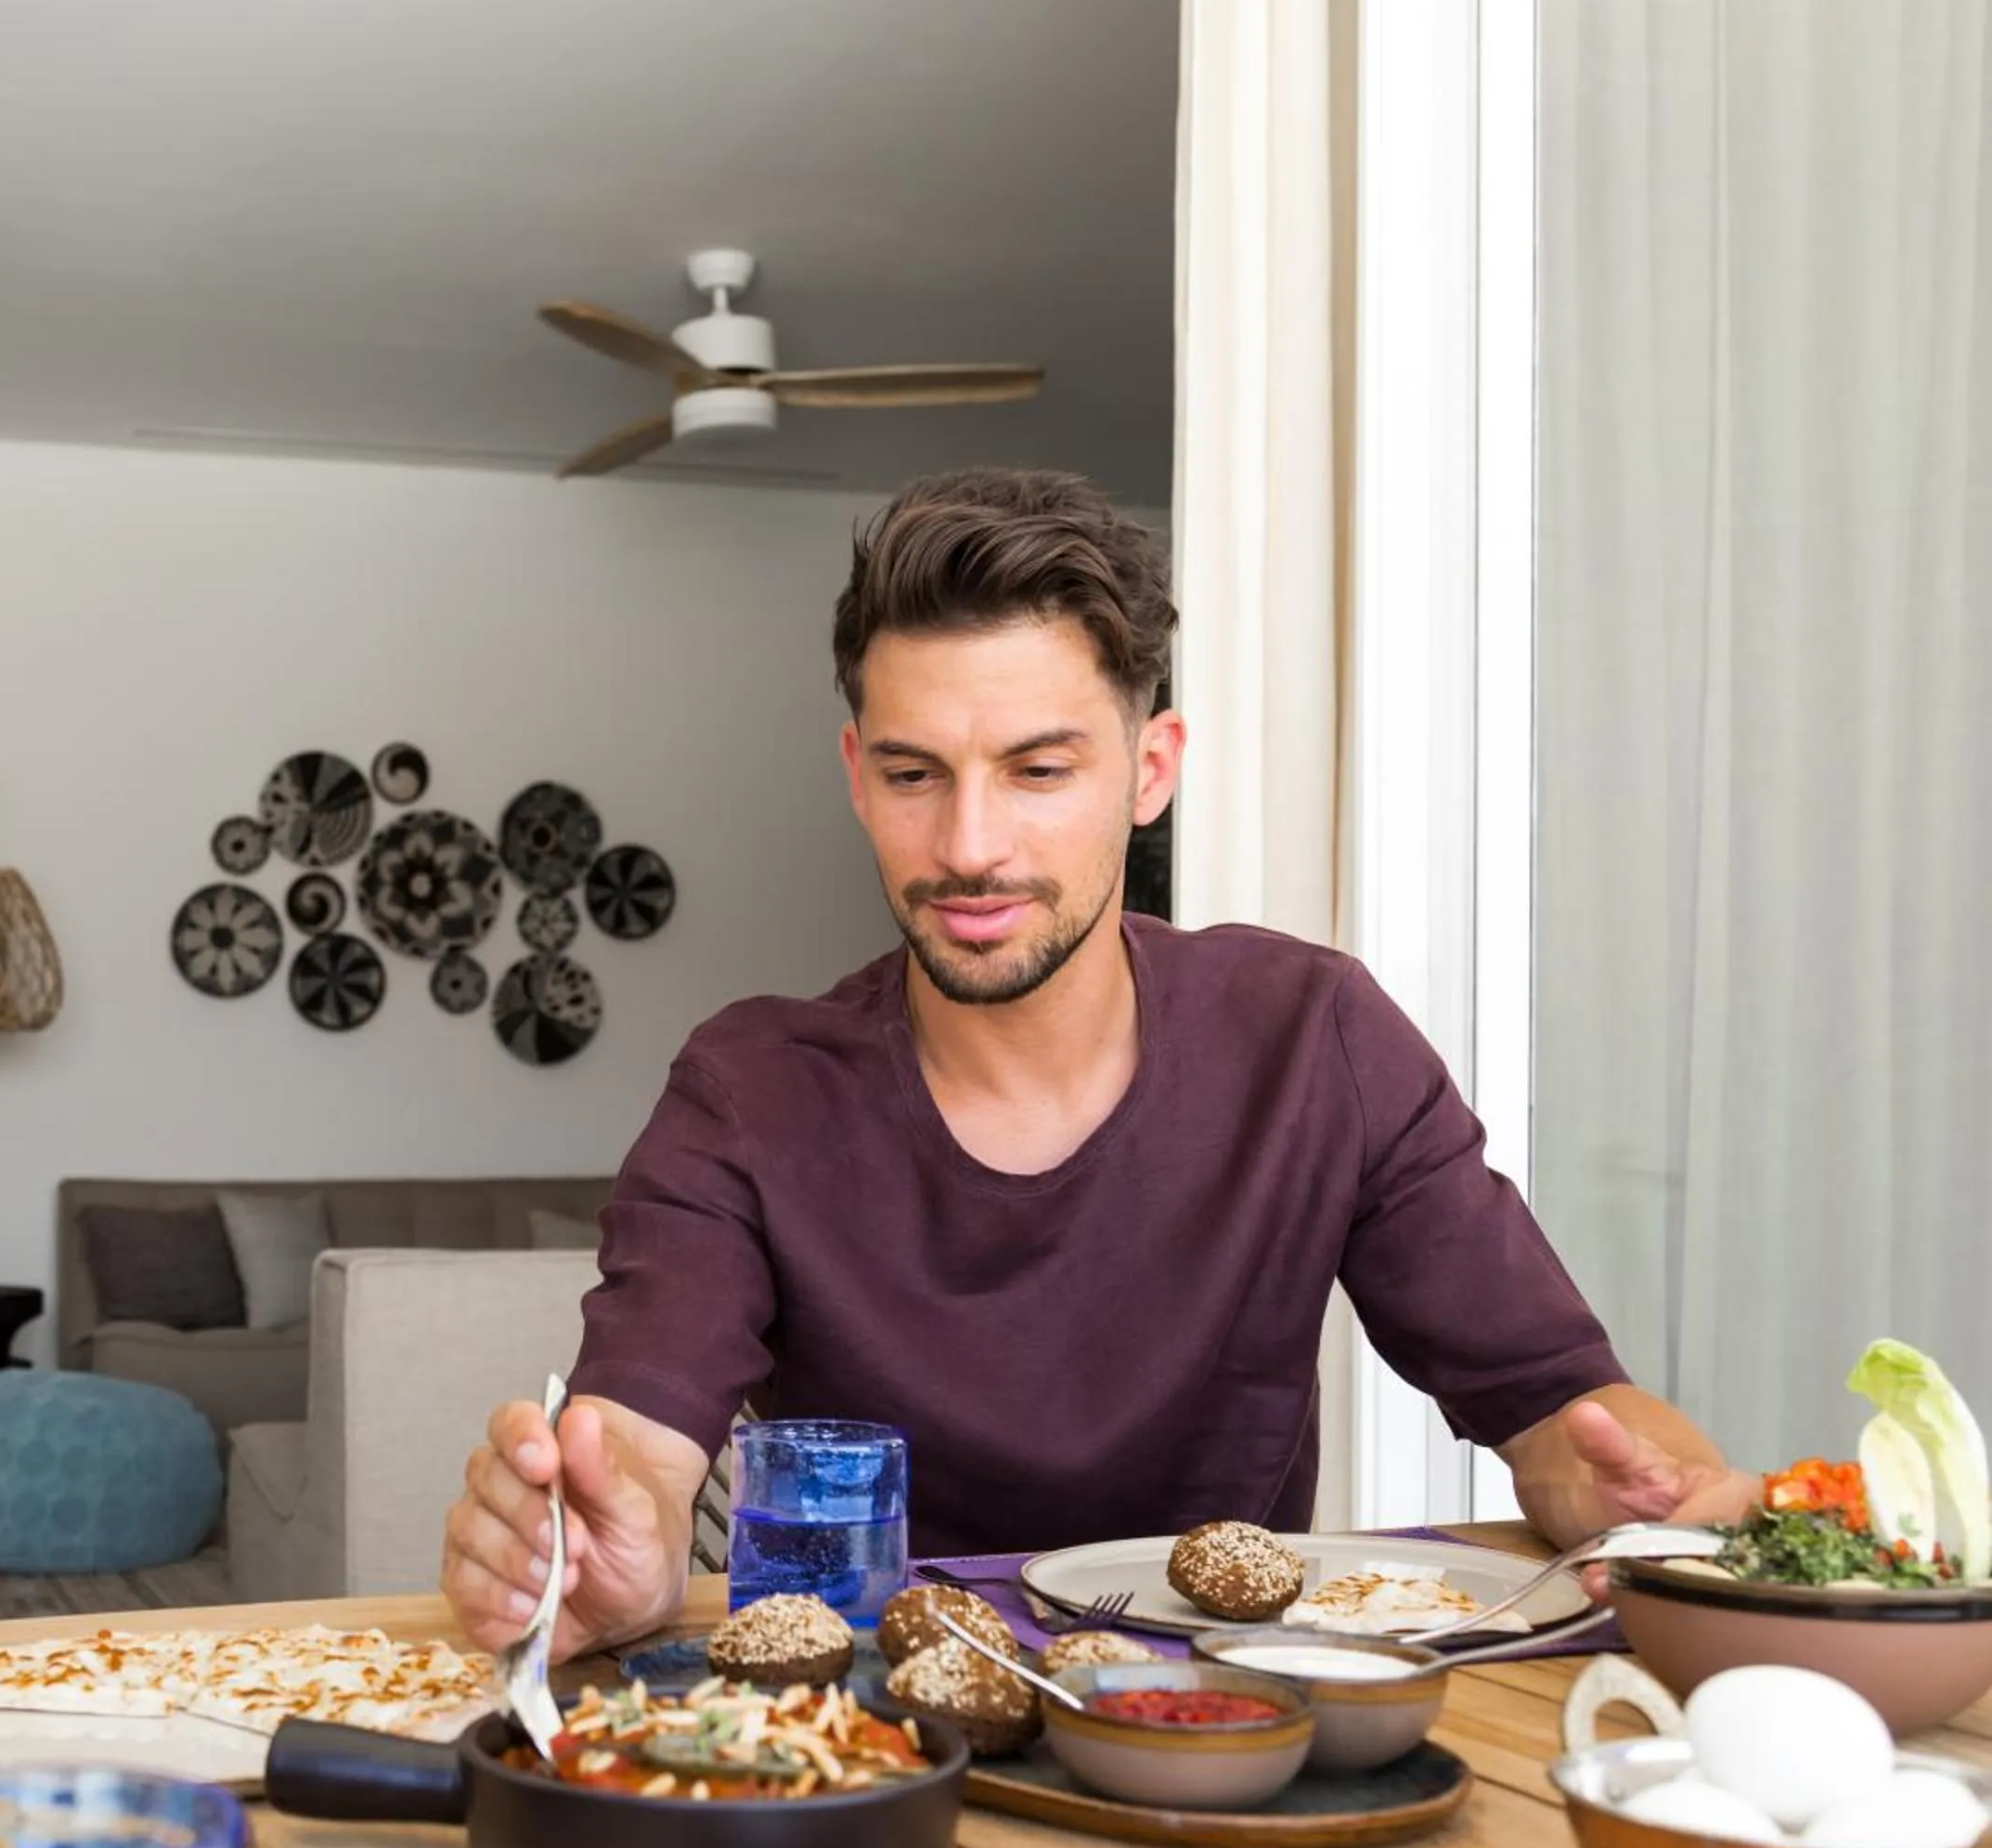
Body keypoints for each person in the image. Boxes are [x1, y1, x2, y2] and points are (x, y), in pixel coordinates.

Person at [441, 467, 1756, 1661]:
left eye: (1037, 769)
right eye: (915, 772)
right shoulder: (748, 1087)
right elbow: (643, 1458)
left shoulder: (1318, 1039)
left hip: (1229, 1749)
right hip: (877, 1737)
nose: (969, 842)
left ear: (1150, 768)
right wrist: (609, 1550)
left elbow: (1564, 1420)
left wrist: (1656, 1499)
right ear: (856, 773)